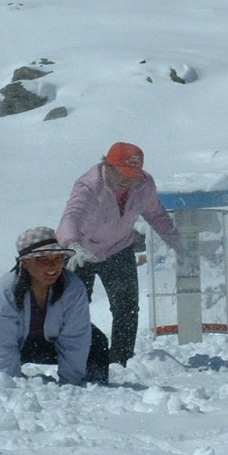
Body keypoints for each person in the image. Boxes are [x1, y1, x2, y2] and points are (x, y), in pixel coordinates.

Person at [57, 142, 182, 366]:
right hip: (82, 251)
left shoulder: (143, 185)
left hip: (119, 248)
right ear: (108, 166)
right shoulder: (89, 185)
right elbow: (71, 217)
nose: (128, 180)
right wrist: (72, 245)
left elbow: (157, 215)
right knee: (75, 308)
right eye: (123, 173)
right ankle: (77, 358)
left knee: (126, 306)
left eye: (133, 174)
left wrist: (178, 244)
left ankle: (121, 361)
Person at [0, 226, 110, 386]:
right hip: (13, 342)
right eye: (42, 259)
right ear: (24, 262)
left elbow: (75, 338)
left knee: (96, 342)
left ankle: (98, 386)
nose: (52, 265)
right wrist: (10, 383)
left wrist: (71, 384)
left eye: (58, 258)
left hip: (52, 344)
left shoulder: (73, 288)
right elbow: (2, 340)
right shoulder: (4, 289)